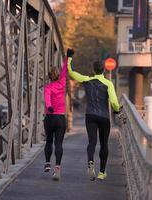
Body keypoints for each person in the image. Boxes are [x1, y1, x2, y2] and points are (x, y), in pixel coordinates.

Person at [67, 48, 122, 181]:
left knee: (92, 142)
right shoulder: (108, 83)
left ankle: (90, 162)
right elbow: (114, 102)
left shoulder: (87, 80)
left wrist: (69, 58)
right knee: (104, 144)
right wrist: (117, 110)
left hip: (90, 115)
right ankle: (102, 172)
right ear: (103, 70)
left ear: (93, 70)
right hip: (104, 117)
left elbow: (71, 73)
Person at [43, 51, 71, 180]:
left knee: (49, 140)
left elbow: (47, 99)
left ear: (49, 76)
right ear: (58, 75)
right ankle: (57, 169)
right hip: (60, 118)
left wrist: (49, 107)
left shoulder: (48, 87)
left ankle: (47, 163)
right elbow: (65, 70)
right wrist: (68, 57)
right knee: (58, 143)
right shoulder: (63, 83)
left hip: (50, 117)